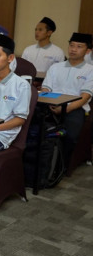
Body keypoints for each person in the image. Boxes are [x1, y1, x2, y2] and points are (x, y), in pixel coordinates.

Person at [41, 32, 93, 164]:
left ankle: (61, 167)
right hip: (50, 105)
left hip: (75, 109)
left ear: (88, 51)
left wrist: (65, 109)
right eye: (71, 45)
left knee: (70, 135)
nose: (73, 49)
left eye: (79, 46)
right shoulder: (55, 67)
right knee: (37, 130)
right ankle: (43, 165)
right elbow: (45, 89)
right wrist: (51, 105)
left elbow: (84, 97)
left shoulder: (89, 70)